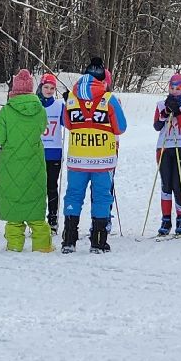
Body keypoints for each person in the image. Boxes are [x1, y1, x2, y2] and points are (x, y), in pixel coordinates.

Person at [62, 58, 126, 254]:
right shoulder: (109, 98)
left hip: (77, 158)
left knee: (73, 195)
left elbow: (68, 124)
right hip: (102, 160)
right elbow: (121, 127)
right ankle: (98, 241)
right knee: (101, 198)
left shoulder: (72, 98)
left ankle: (69, 240)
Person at [0, 69, 54, 253]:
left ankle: (14, 245)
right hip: (34, 161)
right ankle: (43, 245)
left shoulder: (6, 111)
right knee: (35, 205)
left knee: (14, 209)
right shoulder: (40, 110)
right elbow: (43, 128)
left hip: (11, 163)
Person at [152, 72, 181, 237]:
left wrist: (177, 112)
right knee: (166, 184)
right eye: (172, 87)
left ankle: (180, 218)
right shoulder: (160, 104)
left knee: (177, 184)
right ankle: (165, 220)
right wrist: (165, 114)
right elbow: (156, 126)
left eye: (178, 88)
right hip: (163, 147)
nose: (175, 90)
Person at [38, 72, 65, 228]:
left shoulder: (59, 105)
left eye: (52, 88)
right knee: (37, 187)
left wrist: (69, 106)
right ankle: (38, 219)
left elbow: (67, 124)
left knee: (51, 186)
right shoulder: (35, 105)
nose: (49, 90)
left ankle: (53, 218)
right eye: (46, 87)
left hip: (54, 152)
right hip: (37, 152)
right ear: (41, 87)